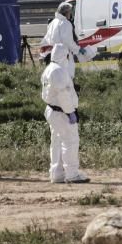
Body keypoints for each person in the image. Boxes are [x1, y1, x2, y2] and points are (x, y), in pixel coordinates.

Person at [41, 43, 89, 184]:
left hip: (52, 110)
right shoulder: (59, 71)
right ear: (64, 55)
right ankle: (72, 173)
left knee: (56, 142)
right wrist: (70, 112)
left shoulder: (49, 69)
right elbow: (63, 94)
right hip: (62, 112)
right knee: (70, 141)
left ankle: (57, 173)